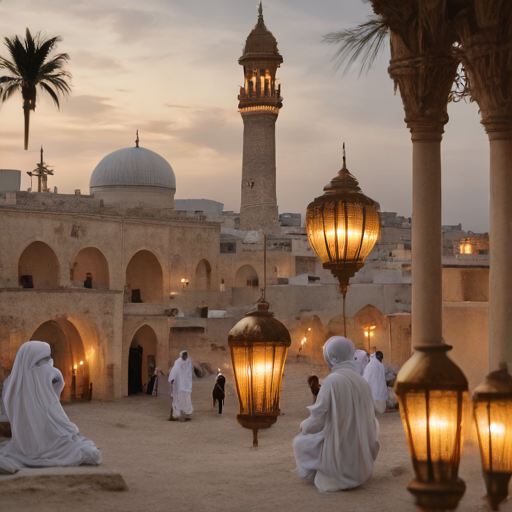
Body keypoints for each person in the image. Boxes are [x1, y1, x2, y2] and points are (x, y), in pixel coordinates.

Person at [0, 341, 102, 474]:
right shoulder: (47, 372)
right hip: (46, 436)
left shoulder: (11, 381)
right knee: (89, 452)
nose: (49, 361)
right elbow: (58, 383)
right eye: (46, 358)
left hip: (24, 440)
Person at [293, 336, 380, 492]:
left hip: (337, 468)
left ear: (331, 356)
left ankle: (328, 470)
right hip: (362, 467)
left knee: (300, 441)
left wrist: (304, 427)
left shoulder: (331, 381)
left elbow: (318, 419)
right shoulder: (362, 382)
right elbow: (371, 421)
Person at [168, 350, 193, 421]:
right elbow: (174, 371)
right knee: (177, 399)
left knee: (186, 400)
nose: (185, 357)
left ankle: (185, 415)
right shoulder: (178, 362)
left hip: (186, 385)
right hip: (178, 384)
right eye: (184, 356)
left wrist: (188, 383)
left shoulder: (188, 362)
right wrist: (172, 380)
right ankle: (173, 415)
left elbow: (189, 373)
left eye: (186, 356)